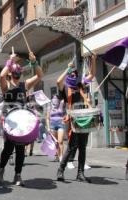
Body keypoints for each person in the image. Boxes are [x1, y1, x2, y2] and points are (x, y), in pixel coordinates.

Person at [0, 51, 43, 186]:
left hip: (22, 121)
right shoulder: (6, 86)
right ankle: (1, 170)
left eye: (19, 70)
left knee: (21, 149)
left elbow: (40, 75)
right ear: (10, 72)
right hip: (10, 121)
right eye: (14, 70)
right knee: (8, 148)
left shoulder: (25, 85)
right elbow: (1, 75)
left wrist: (34, 62)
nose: (17, 72)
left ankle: (18, 175)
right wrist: (9, 61)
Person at [56, 55, 96, 183]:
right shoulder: (65, 88)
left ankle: (80, 174)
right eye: (71, 73)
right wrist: (66, 69)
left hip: (84, 119)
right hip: (74, 120)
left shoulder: (80, 85)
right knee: (71, 146)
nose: (73, 75)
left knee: (83, 147)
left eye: (75, 73)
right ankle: (60, 170)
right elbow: (58, 81)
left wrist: (94, 59)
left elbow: (92, 75)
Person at [46, 95, 66, 162]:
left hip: (61, 124)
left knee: (60, 141)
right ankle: (57, 155)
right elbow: (47, 118)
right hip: (52, 126)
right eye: (53, 98)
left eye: (56, 98)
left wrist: (64, 119)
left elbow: (65, 114)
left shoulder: (61, 105)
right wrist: (48, 127)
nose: (55, 100)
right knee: (55, 142)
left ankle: (61, 156)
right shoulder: (49, 107)